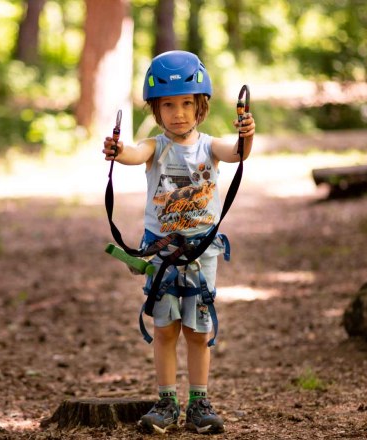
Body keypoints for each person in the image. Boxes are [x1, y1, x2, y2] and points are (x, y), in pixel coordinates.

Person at [101, 50, 255, 435]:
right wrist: (118, 152)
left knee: (198, 330)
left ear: (200, 106)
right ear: (156, 109)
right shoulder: (156, 146)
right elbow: (134, 154)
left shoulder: (209, 146)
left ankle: (199, 402)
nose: (178, 113)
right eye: (168, 105)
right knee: (165, 328)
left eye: (187, 103)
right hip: (162, 252)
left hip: (201, 252)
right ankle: (167, 402)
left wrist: (246, 136)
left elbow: (236, 154)